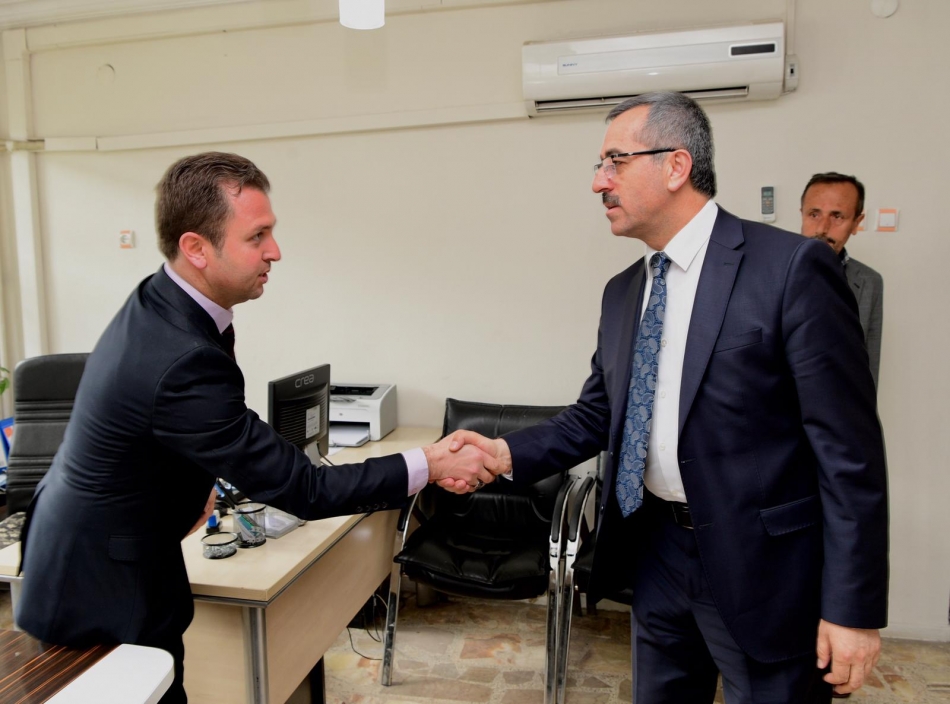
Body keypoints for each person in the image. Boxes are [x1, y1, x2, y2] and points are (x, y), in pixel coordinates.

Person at [446, 93, 888, 703]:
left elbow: (849, 450)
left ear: (676, 165)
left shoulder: (790, 268)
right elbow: (597, 414)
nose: (599, 182)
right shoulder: (623, 291)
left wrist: (852, 609)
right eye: (600, 165)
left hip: (763, 567)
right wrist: (501, 453)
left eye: (615, 161)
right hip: (656, 553)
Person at [15, 152, 499, 703]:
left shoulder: (168, 301)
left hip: (111, 544)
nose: (275, 251)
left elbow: (171, 431)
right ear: (196, 248)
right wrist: (428, 464)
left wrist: (197, 481)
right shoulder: (179, 355)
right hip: (97, 584)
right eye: (257, 236)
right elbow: (304, 489)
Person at [800, 172, 884, 388]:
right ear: (802, 214)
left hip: (841, 403)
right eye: (814, 214)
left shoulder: (869, 282)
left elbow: (868, 368)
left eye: (837, 216)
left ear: (856, 223)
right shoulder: (765, 272)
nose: (822, 228)